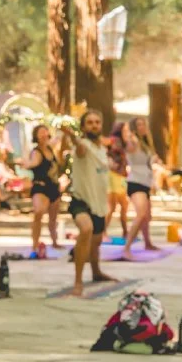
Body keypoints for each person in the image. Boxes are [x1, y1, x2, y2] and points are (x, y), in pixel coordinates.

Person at [65, 109, 119, 297]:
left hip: (99, 203)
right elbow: (79, 147)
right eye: (90, 122)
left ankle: (96, 272)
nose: (94, 125)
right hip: (81, 200)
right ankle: (78, 282)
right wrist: (71, 135)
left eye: (97, 122)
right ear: (83, 127)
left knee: (95, 243)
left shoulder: (101, 149)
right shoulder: (83, 146)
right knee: (85, 229)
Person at [123, 116, 161, 258]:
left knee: (147, 216)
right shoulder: (134, 141)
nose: (142, 127)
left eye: (144, 124)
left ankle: (147, 243)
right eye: (139, 125)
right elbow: (128, 146)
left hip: (145, 182)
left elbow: (147, 163)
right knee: (141, 215)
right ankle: (127, 248)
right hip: (135, 182)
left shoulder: (146, 144)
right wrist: (129, 137)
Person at [26, 122, 63, 255]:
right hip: (40, 186)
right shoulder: (36, 152)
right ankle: (34, 244)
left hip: (53, 187)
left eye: (45, 132)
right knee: (38, 212)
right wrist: (26, 164)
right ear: (36, 136)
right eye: (40, 133)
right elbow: (33, 162)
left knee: (53, 218)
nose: (43, 135)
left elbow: (58, 138)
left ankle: (54, 241)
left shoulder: (51, 149)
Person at [106, 122, 130, 240]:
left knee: (124, 205)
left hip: (121, 176)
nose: (127, 132)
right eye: (125, 130)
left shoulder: (125, 142)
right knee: (112, 205)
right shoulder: (114, 140)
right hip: (113, 175)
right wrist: (110, 162)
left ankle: (125, 232)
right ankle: (103, 232)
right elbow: (106, 151)